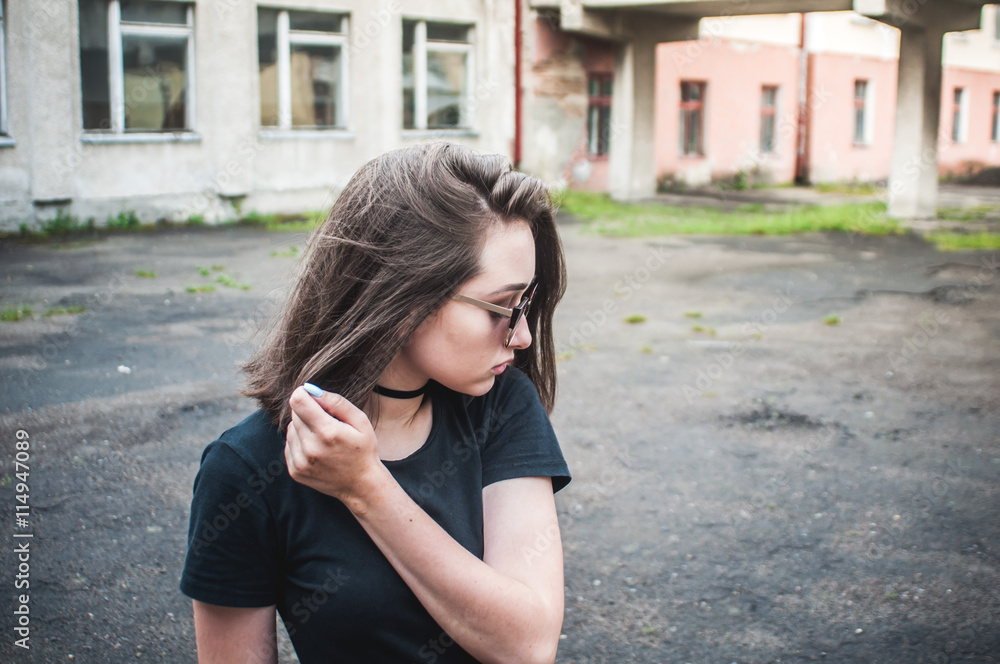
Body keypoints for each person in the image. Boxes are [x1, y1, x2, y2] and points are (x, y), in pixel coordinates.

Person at [180, 143, 572, 664]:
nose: (522, 336)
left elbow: (528, 644)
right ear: (405, 295)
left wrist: (366, 488)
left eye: (526, 302)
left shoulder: (501, 408)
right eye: (501, 307)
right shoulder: (247, 469)